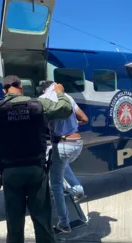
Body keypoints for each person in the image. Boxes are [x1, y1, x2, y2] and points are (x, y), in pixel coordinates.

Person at [0, 75, 73, 243]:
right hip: (36, 170)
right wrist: (61, 94)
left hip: (10, 172)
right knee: (42, 219)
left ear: (4, 90)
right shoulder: (38, 105)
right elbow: (66, 109)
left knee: (14, 222)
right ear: (21, 87)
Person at [40, 82, 88, 233]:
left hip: (63, 144)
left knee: (56, 185)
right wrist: (71, 124)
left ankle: (64, 223)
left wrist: (56, 128)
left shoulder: (42, 99)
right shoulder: (67, 97)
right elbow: (84, 119)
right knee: (60, 163)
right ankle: (78, 189)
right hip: (77, 143)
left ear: (43, 89)